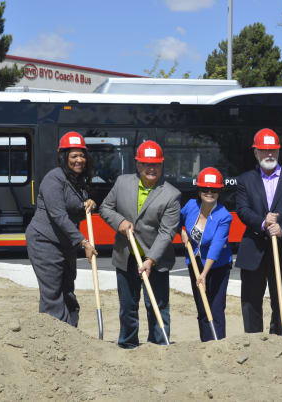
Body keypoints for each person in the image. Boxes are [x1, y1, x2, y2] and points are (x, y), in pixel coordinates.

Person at [99, 140, 180, 347]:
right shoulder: (122, 183)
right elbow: (105, 208)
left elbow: (166, 232)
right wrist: (120, 222)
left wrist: (150, 260)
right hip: (126, 256)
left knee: (157, 306)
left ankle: (159, 345)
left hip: (156, 260)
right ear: (138, 164)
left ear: (161, 165)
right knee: (128, 306)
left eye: (156, 164)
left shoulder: (171, 195)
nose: (151, 168)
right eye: (146, 164)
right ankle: (128, 344)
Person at [235, 128, 282, 337]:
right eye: (264, 150)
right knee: (250, 302)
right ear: (255, 152)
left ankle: (279, 338)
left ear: (278, 151)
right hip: (253, 250)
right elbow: (242, 210)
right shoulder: (245, 180)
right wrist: (263, 223)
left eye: (272, 150)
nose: (269, 154)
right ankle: (254, 341)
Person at [26, 131, 98, 327]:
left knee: (68, 290)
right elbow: (58, 215)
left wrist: (88, 205)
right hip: (44, 242)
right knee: (53, 293)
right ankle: (54, 337)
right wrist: (83, 242)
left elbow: (75, 212)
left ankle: (71, 333)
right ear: (64, 157)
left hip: (65, 244)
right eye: (74, 156)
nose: (79, 160)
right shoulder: (54, 179)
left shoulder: (77, 180)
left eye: (82, 155)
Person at [179, 167, 233, 342]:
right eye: (205, 189)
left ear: (219, 191)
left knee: (215, 307)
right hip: (195, 262)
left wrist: (204, 274)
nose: (209, 193)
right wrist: (181, 231)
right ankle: (205, 344)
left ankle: (218, 344)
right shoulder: (191, 206)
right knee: (202, 306)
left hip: (217, 265)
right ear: (199, 190)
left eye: (214, 190)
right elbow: (176, 220)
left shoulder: (224, 216)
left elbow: (216, 246)